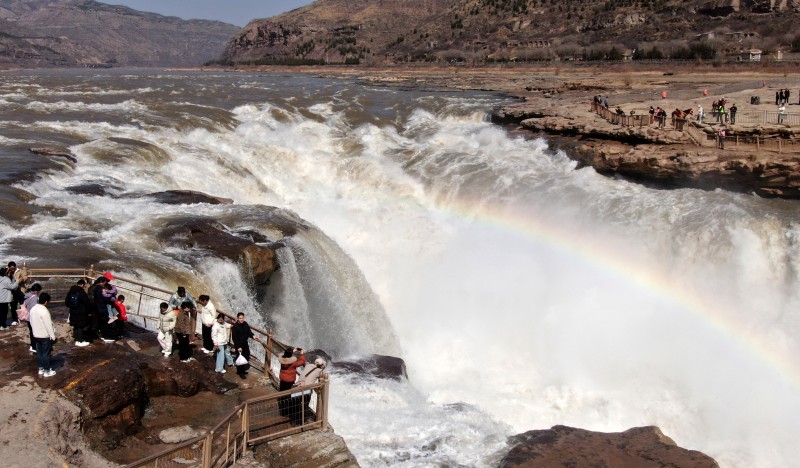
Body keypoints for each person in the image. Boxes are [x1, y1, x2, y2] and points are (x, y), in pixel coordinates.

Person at [290, 357, 326, 426]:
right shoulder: (320, 371)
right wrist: (322, 369)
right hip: (305, 390)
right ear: (321, 365)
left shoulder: (308, 365)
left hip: (296, 387)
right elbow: (325, 376)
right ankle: (301, 421)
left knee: (296, 404)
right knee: (304, 405)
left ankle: (294, 421)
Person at [30, 292, 56, 377]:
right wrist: (53, 336)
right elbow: (48, 325)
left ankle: (41, 368)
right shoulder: (44, 311)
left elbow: (31, 322)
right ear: (46, 302)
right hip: (44, 336)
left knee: (39, 353)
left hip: (36, 334)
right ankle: (47, 370)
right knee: (46, 354)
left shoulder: (33, 309)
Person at [278, 347, 306, 416]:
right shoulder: (293, 362)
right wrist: (302, 354)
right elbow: (302, 361)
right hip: (290, 381)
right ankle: (289, 412)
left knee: (283, 395)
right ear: (291, 355)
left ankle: (283, 412)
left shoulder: (282, 360)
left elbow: (286, 356)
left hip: (282, 379)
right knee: (289, 395)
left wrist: (292, 351)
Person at [232, 312, 261, 379]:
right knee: (240, 358)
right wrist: (238, 347)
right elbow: (234, 338)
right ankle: (240, 373)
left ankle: (243, 370)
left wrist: (253, 336)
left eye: (242, 318)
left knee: (246, 355)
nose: (241, 319)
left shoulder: (245, 324)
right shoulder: (235, 327)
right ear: (237, 318)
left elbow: (249, 332)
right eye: (240, 318)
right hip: (239, 345)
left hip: (245, 343)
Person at [65, 279, 91, 347]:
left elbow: (66, 302)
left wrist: (72, 307)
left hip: (73, 312)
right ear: (82, 285)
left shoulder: (70, 291)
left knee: (75, 326)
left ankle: (76, 339)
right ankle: (80, 341)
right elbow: (87, 303)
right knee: (80, 327)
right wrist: (89, 311)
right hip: (81, 312)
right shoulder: (82, 292)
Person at [90, 276, 116, 342]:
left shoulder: (95, 288)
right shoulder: (100, 289)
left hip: (96, 308)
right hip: (101, 308)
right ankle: (106, 337)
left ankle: (99, 335)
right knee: (104, 323)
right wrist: (110, 299)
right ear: (102, 282)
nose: (105, 283)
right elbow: (103, 299)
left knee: (98, 323)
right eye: (105, 282)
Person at [22, 283, 43, 352]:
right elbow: (33, 309)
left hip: (27, 316)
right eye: (39, 291)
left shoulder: (27, 295)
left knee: (31, 331)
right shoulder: (34, 297)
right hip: (32, 317)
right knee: (34, 332)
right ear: (36, 291)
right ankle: (34, 347)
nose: (39, 293)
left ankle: (32, 346)